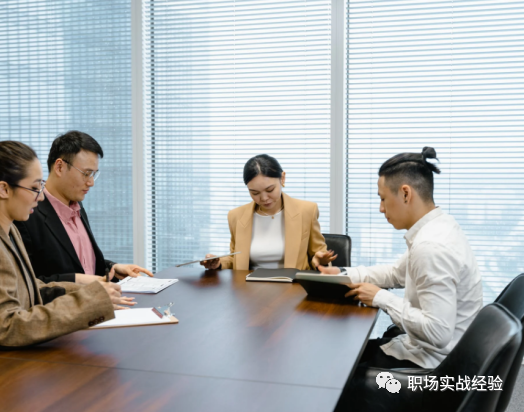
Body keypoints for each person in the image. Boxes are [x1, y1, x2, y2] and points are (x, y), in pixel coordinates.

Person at [0, 140, 134, 361]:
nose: (41, 196)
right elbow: (5, 327)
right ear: (4, 189)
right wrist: (87, 303)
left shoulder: (6, 228)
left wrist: (88, 294)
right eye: (34, 188)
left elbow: (30, 290)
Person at [321, 147, 483, 370]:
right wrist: (342, 273)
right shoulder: (438, 227)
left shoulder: (431, 246)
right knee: (344, 354)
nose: (380, 208)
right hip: (426, 349)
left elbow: (438, 333)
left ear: (406, 193)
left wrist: (380, 298)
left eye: (383, 199)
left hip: (430, 366)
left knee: (335, 369)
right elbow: (396, 274)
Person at [14, 131, 153, 285]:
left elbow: (83, 265)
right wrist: (77, 281)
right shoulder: (27, 214)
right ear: (59, 167)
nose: (91, 182)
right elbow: (28, 285)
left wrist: (113, 268)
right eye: (86, 174)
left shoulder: (77, 205)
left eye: (94, 174)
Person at [202, 154, 335, 271]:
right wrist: (219, 263)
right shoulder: (236, 216)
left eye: (270, 190)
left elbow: (318, 254)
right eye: (255, 193)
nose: (264, 198)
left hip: (293, 288)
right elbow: (235, 259)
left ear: (282, 179)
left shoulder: (306, 211)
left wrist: (320, 260)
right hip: (248, 290)